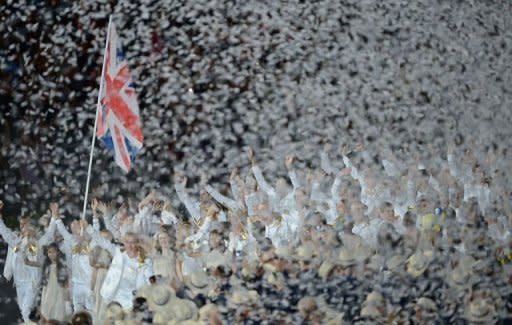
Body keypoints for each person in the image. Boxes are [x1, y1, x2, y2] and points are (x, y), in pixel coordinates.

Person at [0, 201, 56, 322]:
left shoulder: (38, 243)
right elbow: (5, 233)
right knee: (25, 311)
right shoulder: (16, 241)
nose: (22, 227)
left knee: (26, 310)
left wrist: (54, 217)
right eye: (21, 224)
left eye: (25, 224)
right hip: (19, 282)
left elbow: (50, 234)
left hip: (32, 283)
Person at [24, 243, 69, 322]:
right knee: (46, 311)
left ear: (58, 252)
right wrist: (25, 252)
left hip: (59, 291)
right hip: (47, 291)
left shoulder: (62, 265)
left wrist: (67, 297)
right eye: (49, 252)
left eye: (54, 252)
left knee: (58, 312)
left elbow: (66, 282)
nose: (51, 254)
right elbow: (28, 262)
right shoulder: (45, 264)